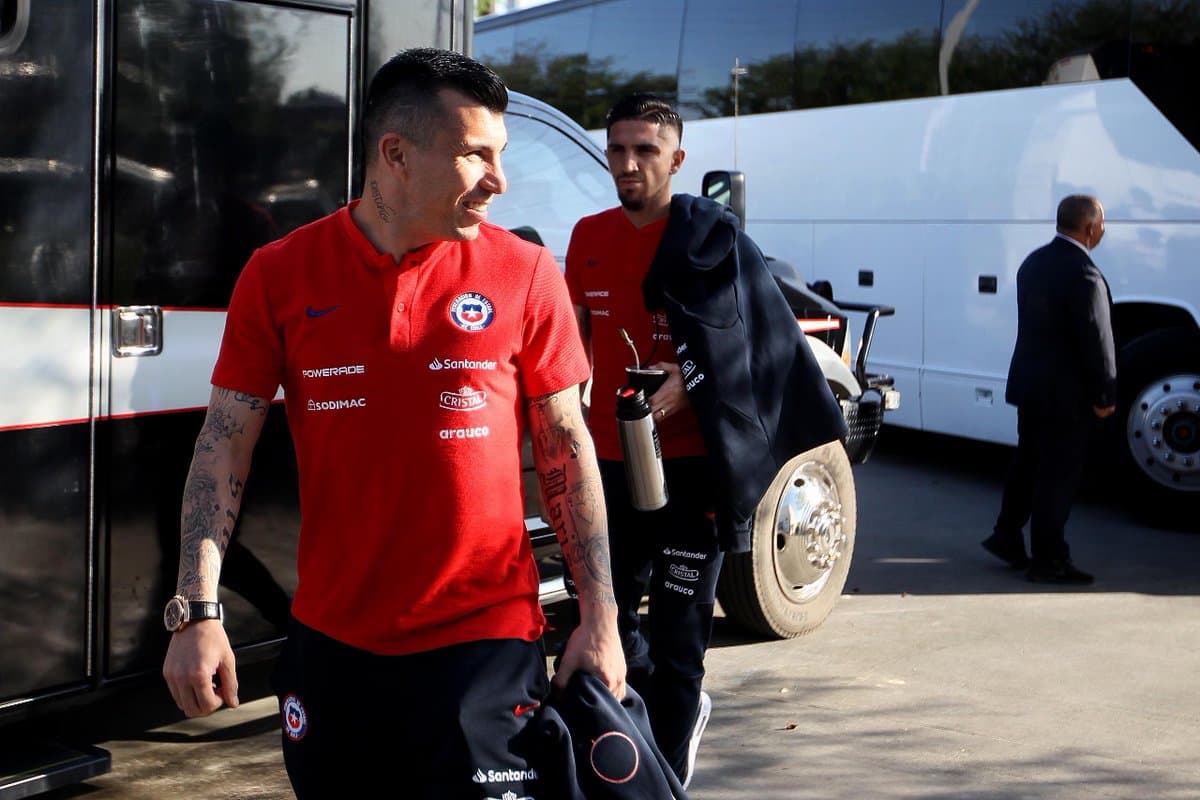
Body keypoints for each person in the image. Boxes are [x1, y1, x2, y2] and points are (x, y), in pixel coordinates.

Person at [162, 48, 625, 799]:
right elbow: (223, 445)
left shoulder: (528, 274)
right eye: (476, 154)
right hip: (334, 652)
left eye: (499, 154)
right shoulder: (281, 274)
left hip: (484, 648)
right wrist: (196, 612)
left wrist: (599, 620)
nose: (498, 181)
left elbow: (568, 452)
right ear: (396, 154)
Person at [564, 93, 845, 788]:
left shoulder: (708, 237)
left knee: (681, 632)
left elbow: (750, 343)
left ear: (677, 159)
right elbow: (573, 344)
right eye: (618, 148)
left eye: (646, 150)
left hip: (694, 471)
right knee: (610, 616)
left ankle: (667, 768)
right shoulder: (587, 237)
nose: (628, 163)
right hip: (606, 462)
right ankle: (627, 744)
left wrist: (688, 382)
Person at [983, 194, 1117, 585]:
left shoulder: (1033, 263)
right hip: (1067, 396)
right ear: (1090, 228)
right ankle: (1050, 559)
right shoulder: (1085, 274)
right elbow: (1098, 341)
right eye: (1103, 222)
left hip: (1031, 387)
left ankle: (1006, 535)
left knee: (1028, 463)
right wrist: (1105, 396)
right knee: (1058, 476)